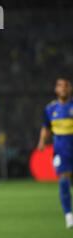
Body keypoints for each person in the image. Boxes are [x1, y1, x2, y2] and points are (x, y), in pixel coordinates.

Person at [37, 77, 73, 229]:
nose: (63, 88)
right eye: (60, 85)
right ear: (56, 89)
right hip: (60, 151)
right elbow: (46, 127)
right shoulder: (50, 108)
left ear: (70, 89)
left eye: (66, 85)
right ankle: (68, 215)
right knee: (63, 180)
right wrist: (42, 142)